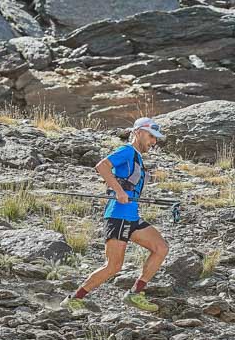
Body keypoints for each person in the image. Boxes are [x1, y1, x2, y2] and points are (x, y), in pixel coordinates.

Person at [65, 117, 170, 311]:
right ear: (138, 132)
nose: (154, 142)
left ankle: (135, 294)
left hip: (131, 216)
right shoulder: (127, 151)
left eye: (156, 138)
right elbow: (102, 166)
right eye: (151, 136)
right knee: (113, 266)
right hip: (118, 215)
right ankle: (74, 298)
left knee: (161, 247)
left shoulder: (137, 156)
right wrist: (119, 192)